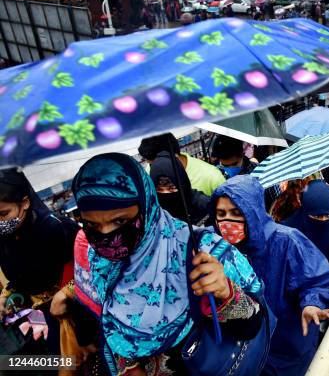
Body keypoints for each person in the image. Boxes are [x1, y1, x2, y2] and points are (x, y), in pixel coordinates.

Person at [69, 153, 263, 374]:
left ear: (146, 206)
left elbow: (253, 326)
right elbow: (110, 323)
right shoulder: (99, 261)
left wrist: (226, 292)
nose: (107, 236)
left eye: (120, 221)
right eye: (92, 225)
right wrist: (129, 367)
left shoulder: (203, 251)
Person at [209, 175, 329, 375]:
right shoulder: (215, 248)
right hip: (241, 352)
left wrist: (312, 303)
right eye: (221, 213)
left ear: (252, 211)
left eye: (236, 212)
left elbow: (319, 281)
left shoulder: (286, 241)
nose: (228, 221)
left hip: (285, 350)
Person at [0, 169, 79, 355]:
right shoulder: (6, 240)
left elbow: (95, 267)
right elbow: (22, 276)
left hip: (76, 315)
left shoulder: (57, 228)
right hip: (40, 318)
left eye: (3, 213)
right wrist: (5, 295)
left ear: (25, 203)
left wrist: (68, 292)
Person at [138, 133, 225, 196]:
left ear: (174, 157)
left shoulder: (212, 177)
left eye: (158, 165)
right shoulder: (149, 171)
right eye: (151, 165)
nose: (155, 170)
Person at [211, 135, 279, 209]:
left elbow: (276, 203)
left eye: (234, 164)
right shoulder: (218, 175)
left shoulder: (261, 173)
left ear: (242, 155)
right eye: (225, 166)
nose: (230, 169)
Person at [150, 151, 210, 225]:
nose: (165, 191)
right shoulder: (155, 218)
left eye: (169, 184)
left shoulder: (205, 204)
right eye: (160, 186)